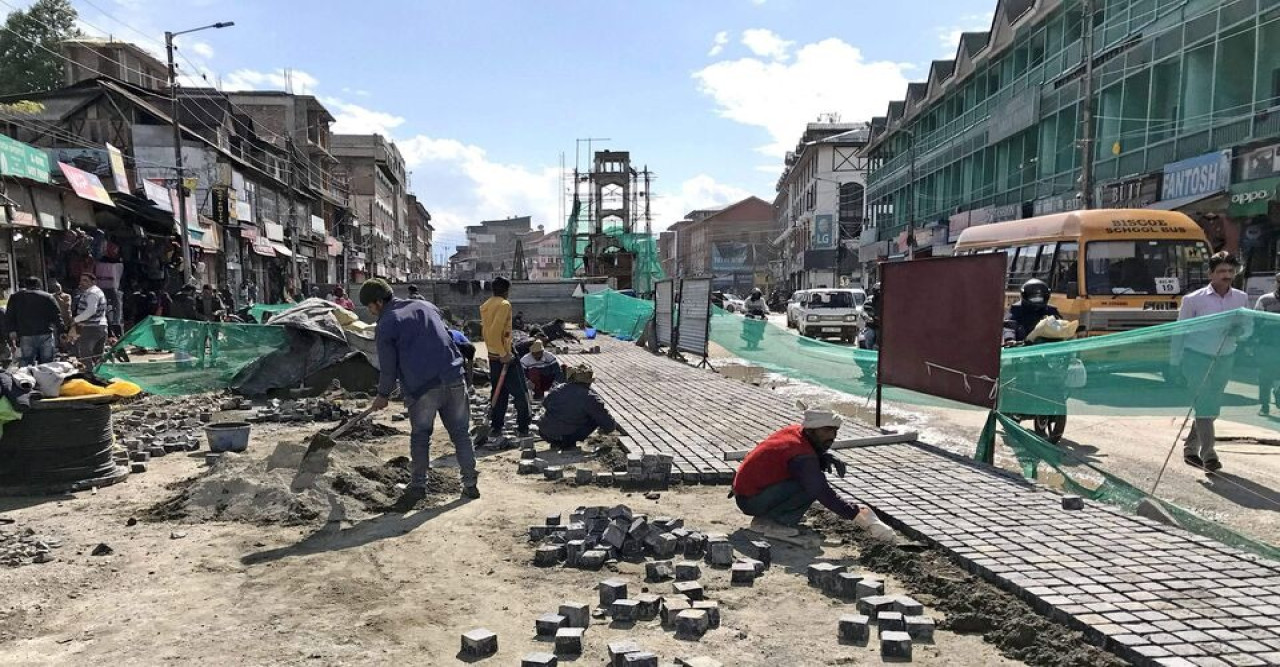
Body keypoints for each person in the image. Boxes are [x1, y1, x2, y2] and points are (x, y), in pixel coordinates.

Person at [360, 278, 479, 501]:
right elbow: (446, 334)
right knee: (461, 433)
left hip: (423, 388)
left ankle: (418, 487)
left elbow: (388, 366)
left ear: (377, 302)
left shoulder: (386, 323)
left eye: (369, 307)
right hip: (454, 377)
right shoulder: (425, 306)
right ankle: (470, 484)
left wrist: (383, 395)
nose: (371, 312)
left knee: (421, 435)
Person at [731, 405, 865, 540]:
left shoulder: (795, 431)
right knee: (811, 486)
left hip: (748, 493)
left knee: (811, 478)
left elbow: (801, 454)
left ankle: (776, 516)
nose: (832, 436)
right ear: (812, 429)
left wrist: (823, 457)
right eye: (827, 430)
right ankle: (772, 522)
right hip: (751, 501)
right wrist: (856, 515)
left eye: (835, 430)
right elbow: (823, 492)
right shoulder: (801, 454)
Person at [1172, 252, 1251, 473]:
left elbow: (1248, 328)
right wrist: (1174, 362)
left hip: (1225, 358)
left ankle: (1190, 447)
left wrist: (1240, 332)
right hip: (1195, 357)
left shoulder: (1241, 298)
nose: (1227, 275)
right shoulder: (1193, 299)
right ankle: (1209, 455)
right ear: (1211, 274)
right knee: (1205, 403)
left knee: (1211, 408)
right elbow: (1179, 332)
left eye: (1230, 271)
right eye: (1221, 271)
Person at [480, 276, 531, 438]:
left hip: (493, 355)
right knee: (521, 393)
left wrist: (496, 352)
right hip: (505, 355)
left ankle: (496, 426)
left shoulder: (486, 305)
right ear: (506, 290)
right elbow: (495, 331)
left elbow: (486, 332)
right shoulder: (504, 304)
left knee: (499, 392)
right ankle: (523, 427)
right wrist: (504, 354)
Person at [538, 364, 626, 450]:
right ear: (589, 382)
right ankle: (566, 444)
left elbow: (545, 404)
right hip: (566, 438)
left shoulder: (557, 389)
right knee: (595, 418)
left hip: (545, 433)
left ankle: (557, 441)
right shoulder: (590, 397)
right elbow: (609, 425)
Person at [6, 277, 63, 367]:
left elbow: (10, 315)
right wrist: (62, 331)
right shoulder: (47, 296)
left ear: (26, 285)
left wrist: (12, 330)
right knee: (47, 362)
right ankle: (46, 379)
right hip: (45, 333)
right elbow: (57, 315)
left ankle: (28, 379)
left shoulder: (15, 297)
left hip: (25, 334)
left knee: (27, 362)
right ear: (39, 285)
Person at [1254, 272, 1280, 416]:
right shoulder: (1264, 300)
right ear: (1276, 283)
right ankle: (1264, 405)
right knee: (1265, 376)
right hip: (1267, 345)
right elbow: (1256, 321)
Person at [1004, 278, 1060, 344]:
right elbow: (1009, 327)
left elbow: (1059, 326)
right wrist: (1010, 339)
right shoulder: (1016, 309)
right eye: (1034, 298)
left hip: (1047, 346)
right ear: (1024, 295)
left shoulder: (1051, 310)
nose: (1037, 300)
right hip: (1023, 346)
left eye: (1040, 298)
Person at [73, 273, 109, 365]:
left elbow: (91, 311)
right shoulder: (95, 291)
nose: (82, 283)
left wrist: (76, 319)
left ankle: (90, 373)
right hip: (99, 326)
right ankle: (99, 374)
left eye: (85, 280)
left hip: (91, 327)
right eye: (81, 280)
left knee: (85, 354)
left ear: (93, 282)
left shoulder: (92, 293)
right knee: (97, 356)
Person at [449, 328, 477, 392]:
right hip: (449, 338)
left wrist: (470, 383)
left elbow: (470, 366)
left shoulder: (469, 345)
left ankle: (468, 384)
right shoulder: (453, 345)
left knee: (465, 366)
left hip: (459, 339)